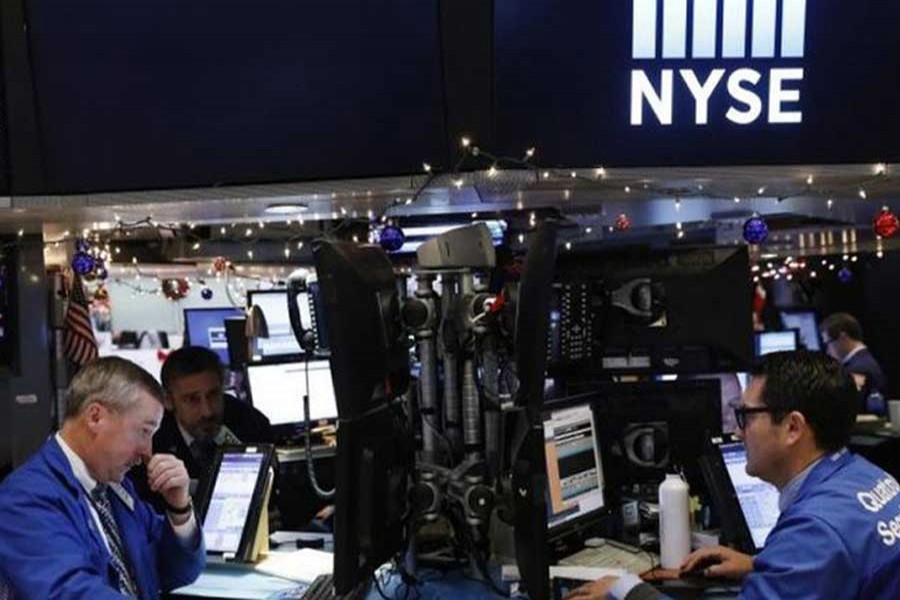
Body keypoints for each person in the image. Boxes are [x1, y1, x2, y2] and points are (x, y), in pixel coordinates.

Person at [566, 350, 900, 600]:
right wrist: (761, 567)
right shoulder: (868, 476)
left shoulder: (816, 532)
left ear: (793, 427)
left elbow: (823, 552)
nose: (739, 434)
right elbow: (842, 569)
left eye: (747, 416)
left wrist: (626, 589)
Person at [0, 356, 205, 598]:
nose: (147, 451)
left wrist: (179, 507)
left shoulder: (115, 489)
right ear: (95, 417)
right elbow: (70, 593)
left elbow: (178, 572)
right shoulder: (24, 500)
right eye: (144, 431)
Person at [153, 346, 273, 499]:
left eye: (213, 395)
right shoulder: (153, 440)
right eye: (192, 399)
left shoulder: (250, 424)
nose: (207, 411)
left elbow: (274, 488)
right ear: (168, 401)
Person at [820, 312, 887, 412]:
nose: (827, 350)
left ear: (843, 338)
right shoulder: (864, 360)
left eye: (828, 343)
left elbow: (847, 409)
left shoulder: (857, 368)